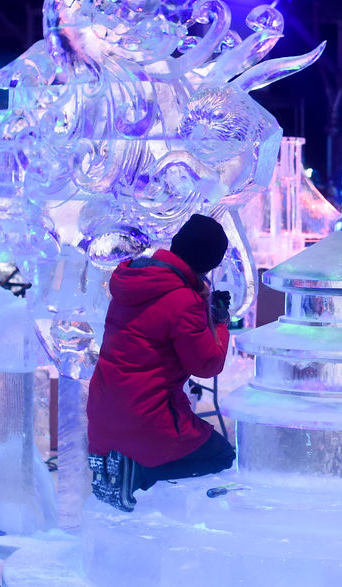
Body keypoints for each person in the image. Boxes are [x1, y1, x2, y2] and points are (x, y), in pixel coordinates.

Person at [86, 213, 235, 512]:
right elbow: (206, 364)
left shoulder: (135, 280)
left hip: (103, 415)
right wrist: (219, 321)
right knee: (221, 456)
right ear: (208, 263)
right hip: (148, 422)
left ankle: (118, 469)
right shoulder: (182, 300)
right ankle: (138, 473)